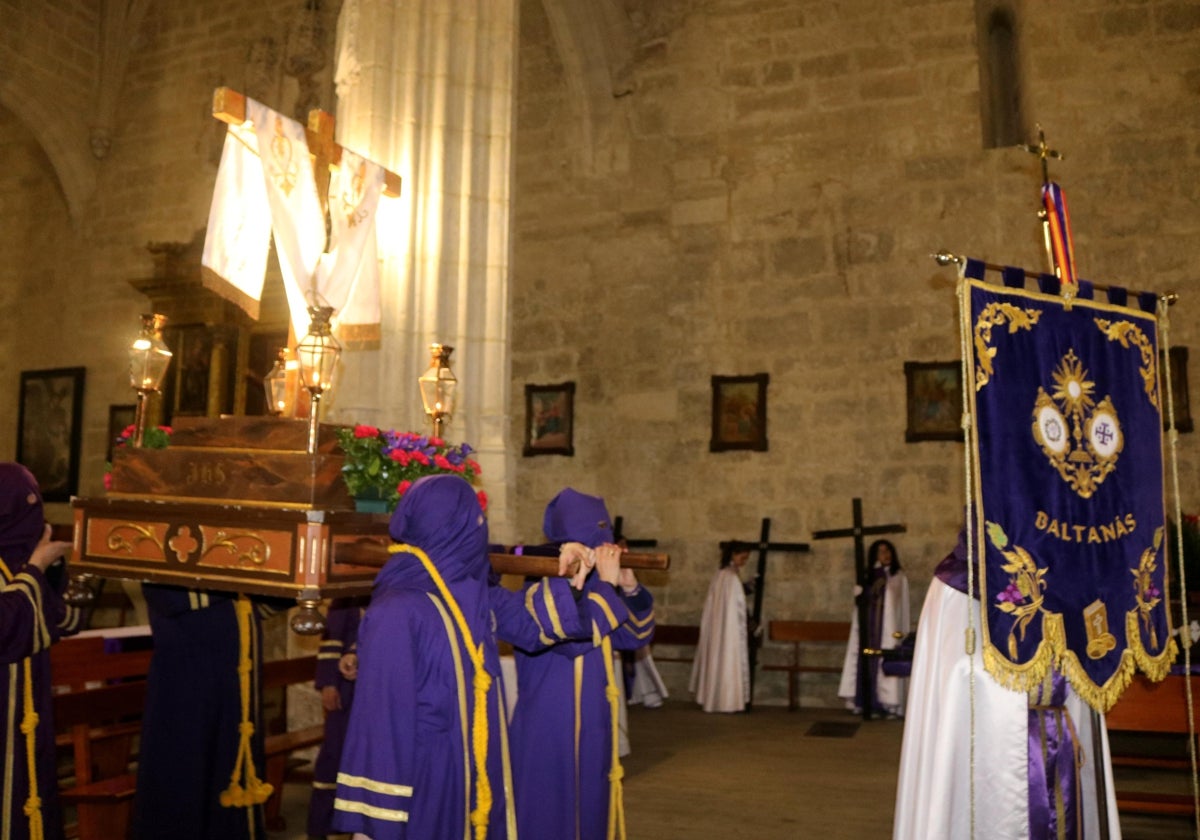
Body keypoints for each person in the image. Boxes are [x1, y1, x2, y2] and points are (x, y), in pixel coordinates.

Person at [333, 475, 594, 839]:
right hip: (426, 781)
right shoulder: (397, 609)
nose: (481, 529)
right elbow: (380, 725)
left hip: (474, 766)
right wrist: (372, 827)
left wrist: (569, 573)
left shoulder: (470, 590)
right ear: (452, 529)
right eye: (475, 520)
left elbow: (531, 626)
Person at [893, 527, 1122, 840]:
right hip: (988, 752)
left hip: (1061, 743)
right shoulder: (956, 584)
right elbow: (954, 682)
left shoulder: (1074, 576)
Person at [508, 488, 656, 840]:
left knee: (590, 805)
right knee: (547, 810)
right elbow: (575, 637)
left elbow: (633, 637)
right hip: (549, 724)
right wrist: (604, 585)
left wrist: (629, 587)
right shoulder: (539, 585)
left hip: (593, 722)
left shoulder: (598, 588)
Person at [133, 585, 285, 840]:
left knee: (228, 762)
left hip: (234, 672)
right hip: (189, 670)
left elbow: (264, 604)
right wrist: (244, 575)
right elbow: (168, 596)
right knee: (185, 770)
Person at [0, 462, 80, 840]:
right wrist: (35, 569)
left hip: (26, 719)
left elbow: (63, 623)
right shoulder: (21, 567)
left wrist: (54, 573)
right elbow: (6, 630)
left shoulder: (16, 564)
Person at [307, 596, 367, 839]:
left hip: (371, 690)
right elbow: (331, 639)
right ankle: (322, 827)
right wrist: (329, 683)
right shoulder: (349, 594)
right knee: (334, 756)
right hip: (345, 689)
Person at [838, 538, 910, 717]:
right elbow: (861, 603)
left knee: (884, 662)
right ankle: (863, 702)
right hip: (868, 631)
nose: (886, 555)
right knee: (864, 661)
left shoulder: (898, 577)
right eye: (881, 552)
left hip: (886, 632)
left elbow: (896, 606)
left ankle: (888, 703)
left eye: (888, 551)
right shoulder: (868, 577)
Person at [690, 545, 753, 713]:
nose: (744, 562)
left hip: (721, 629)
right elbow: (736, 606)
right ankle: (727, 700)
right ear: (733, 554)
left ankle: (716, 698)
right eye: (742, 557)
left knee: (719, 660)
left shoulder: (721, 575)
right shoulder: (729, 576)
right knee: (728, 659)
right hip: (728, 630)